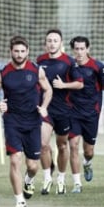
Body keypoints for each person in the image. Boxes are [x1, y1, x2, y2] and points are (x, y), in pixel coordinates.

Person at [0, 35, 52, 207]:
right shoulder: (3, 73)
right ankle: (19, 200)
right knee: (15, 160)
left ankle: (29, 180)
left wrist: (44, 107)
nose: (19, 54)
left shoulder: (36, 70)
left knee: (32, 166)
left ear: (28, 52)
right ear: (11, 52)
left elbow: (48, 90)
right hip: (12, 121)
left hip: (32, 121)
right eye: (16, 51)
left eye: (23, 51)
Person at [37, 29, 83, 195]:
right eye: (49, 40)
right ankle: (47, 178)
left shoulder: (69, 62)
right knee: (43, 144)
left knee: (62, 146)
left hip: (64, 110)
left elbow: (79, 83)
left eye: (55, 40)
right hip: (45, 110)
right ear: (45, 43)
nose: (52, 43)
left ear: (61, 43)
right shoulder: (40, 61)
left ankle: (61, 179)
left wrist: (64, 85)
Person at [68, 36, 104, 193]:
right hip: (73, 112)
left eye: (82, 49)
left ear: (88, 49)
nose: (80, 52)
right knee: (73, 146)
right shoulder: (70, 66)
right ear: (73, 50)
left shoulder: (98, 67)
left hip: (91, 114)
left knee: (88, 151)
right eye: (77, 49)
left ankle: (87, 163)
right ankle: (77, 184)